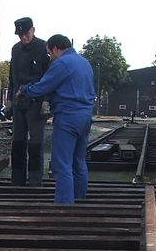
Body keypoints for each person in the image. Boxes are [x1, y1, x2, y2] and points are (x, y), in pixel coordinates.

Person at [19, 34, 95, 204]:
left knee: (62, 165)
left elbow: (43, 87)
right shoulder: (85, 63)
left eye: (50, 54)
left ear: (56, 49)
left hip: (68, 117)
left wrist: (25, 90)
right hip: (86, 116)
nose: (51, 58)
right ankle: (80, 202)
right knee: (79, 162)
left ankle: (65, 209)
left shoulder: (62, 63)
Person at [6, 17, 50, 187]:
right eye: (20, 35)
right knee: (17, 143)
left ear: (33, 30)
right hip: (19, 102)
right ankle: (17, 180)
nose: (23, 37)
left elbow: (49, 77)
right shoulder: (15, 50)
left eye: (25, 34)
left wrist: (47, 101)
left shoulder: (43, 48)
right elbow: (12, 77)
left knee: (35, 144)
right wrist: (9, 100)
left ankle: (35, 182)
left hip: (36, 104)